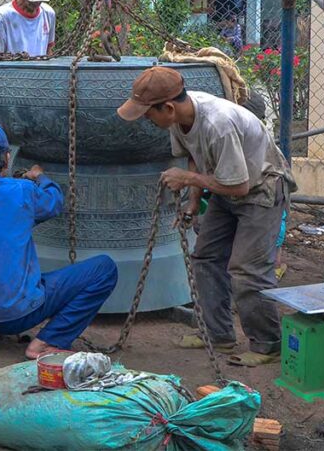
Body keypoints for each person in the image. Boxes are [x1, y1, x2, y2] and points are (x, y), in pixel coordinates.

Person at [117, 66, 294, 367]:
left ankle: (268, 344)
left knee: (247, 270)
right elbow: (193, 156)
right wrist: (193, 201)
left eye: (148, 113)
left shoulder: (218, 124)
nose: (147, 119)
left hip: (260, 188)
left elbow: (239, 186)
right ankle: (218, 335)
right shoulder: (180, 118)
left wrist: (188, 180)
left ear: (169, 107)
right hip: (226, 185)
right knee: (206, 258)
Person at [0, 122, 118, 359]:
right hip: (15, 315)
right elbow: (54, 202)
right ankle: (47, 342)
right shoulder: (22, 191)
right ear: (6, 159)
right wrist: (40, 177)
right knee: (104, 269)